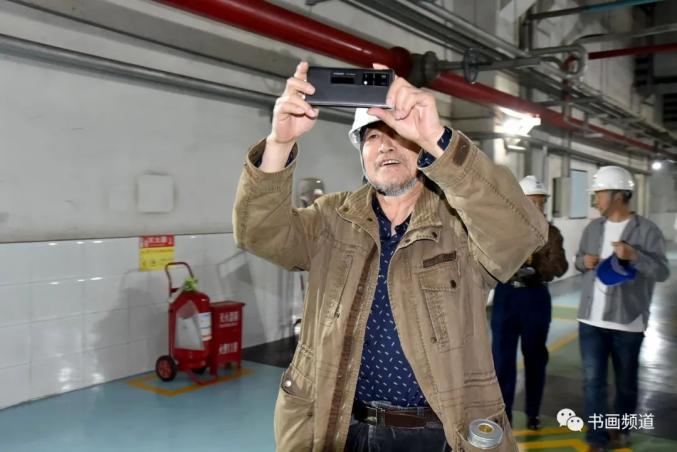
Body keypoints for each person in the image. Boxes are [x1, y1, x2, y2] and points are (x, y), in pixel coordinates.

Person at [233, 61, 548, 452]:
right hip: (340, 428)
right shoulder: (332, 219)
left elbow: (522, 235)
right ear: (361, 154)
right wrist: (279, 144)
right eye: (372, 137)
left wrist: (437, 138)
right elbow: (259, 233)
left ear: (420, 147)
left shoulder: (460, 224)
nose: (385, 146)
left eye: (398, 133)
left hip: (436, 435)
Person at [575, 166, 669, 452]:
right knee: (593, 382)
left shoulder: (647, 231)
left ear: (618, 195)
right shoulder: (593, 228)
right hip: (591, 320)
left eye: (600, 194)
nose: (596, 200)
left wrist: (635, 256)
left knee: (626, 384)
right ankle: (597, 438)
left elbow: (662, 271)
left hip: (628, 322)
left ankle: (621, 429)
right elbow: (578, 260)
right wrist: (583, 262)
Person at [490, 175, 568, 430]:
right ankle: (505, 416)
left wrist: (538, 268)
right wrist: (511, 266)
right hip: (507, 297)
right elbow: (491, 260)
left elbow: (560, 265)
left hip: (535, 298)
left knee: (535, 358)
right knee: (502, 360)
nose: (538, 206)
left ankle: (533, 414)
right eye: (532, 201)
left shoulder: (551, 233)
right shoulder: (503, 231)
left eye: (541, 201)